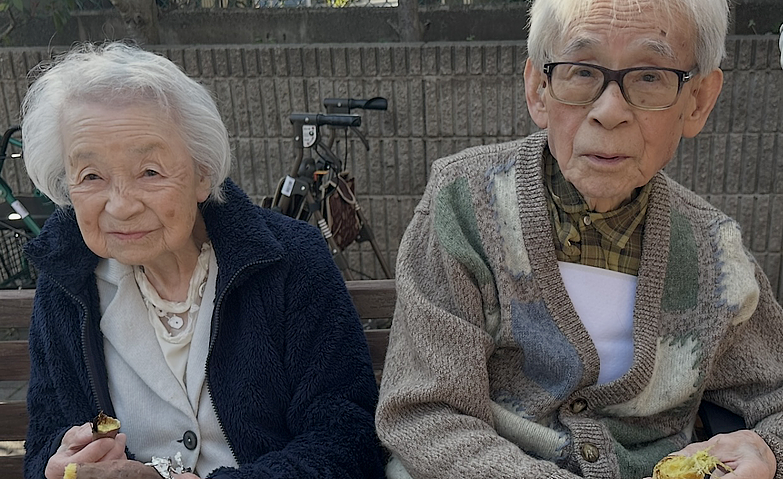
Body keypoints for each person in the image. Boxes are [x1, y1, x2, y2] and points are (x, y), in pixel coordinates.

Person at [375, 0, 783, 478]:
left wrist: (767, 450)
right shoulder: (464, 204)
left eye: (650, 76)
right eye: (582, 71)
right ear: (539, 88)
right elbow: (426, 413)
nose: (610, 112)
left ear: (698, 101)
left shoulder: (715, 251)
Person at [21, 41, 385, 479]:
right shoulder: (66, 281)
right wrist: (60, 464)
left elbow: (346, 439)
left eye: (150, 172)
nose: (120, 206)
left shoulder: (291, 261)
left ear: (202, 173)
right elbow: (45, 442)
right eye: (91, 176)